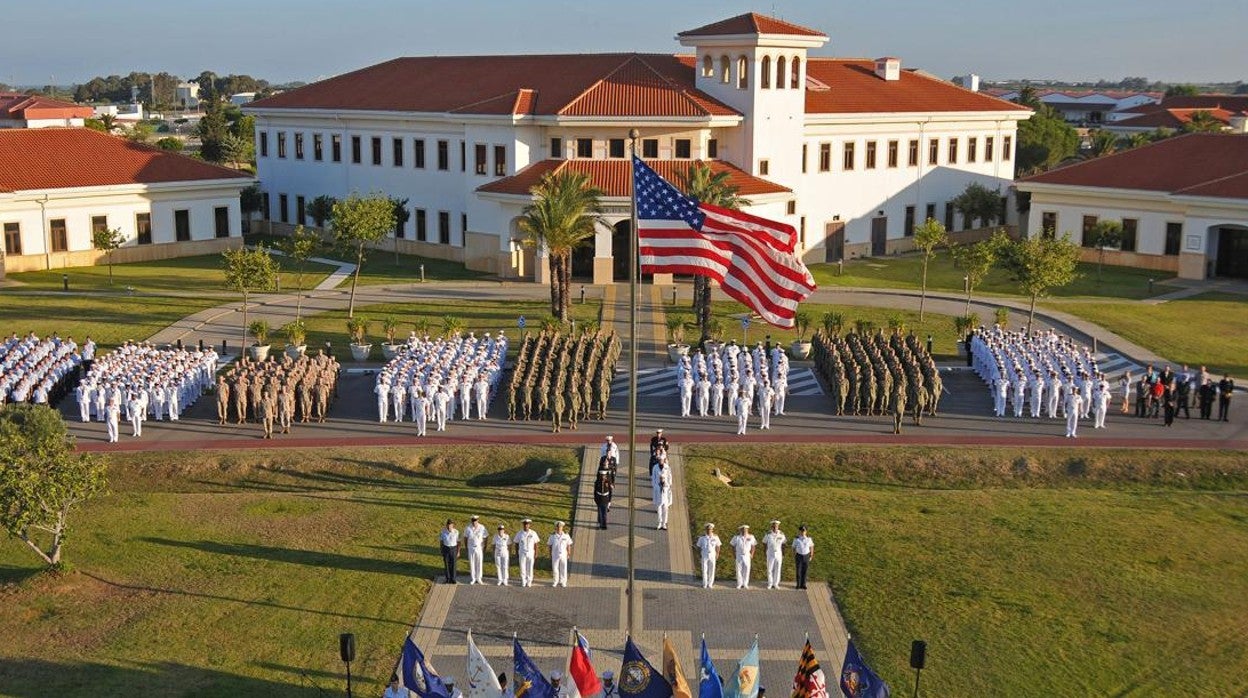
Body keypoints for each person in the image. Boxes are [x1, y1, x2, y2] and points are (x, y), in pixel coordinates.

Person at [730, 524, 756, 589]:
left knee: (747, 569)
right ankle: (739, 584)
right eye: (743, 530)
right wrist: (734, 554)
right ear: (740, 530)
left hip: (747, 555)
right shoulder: (736, 537)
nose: (744, 531)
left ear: (747, 530)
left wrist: (752, 554)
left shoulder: (751, 537)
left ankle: (745, 584)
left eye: (746, 530)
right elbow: (732, 546)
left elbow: (753, 546)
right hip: (739, 555)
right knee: (739, 570)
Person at [515, 518, 539, 587]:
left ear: (529, 525)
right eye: (525, 524)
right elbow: (516, 543)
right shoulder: (519, 533)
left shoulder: (533, 533)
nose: (526, 525)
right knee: (522, 567)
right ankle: (523, 580)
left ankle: (529, 581)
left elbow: (536, 544)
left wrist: (536, 553)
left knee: (530, 567)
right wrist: (517, 553)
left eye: (527, 524)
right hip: (522, 552)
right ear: (523, 525)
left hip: (531, 552)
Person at [695, 523, 721, 589]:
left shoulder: (715, 537)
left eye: (710, 529)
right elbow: (698, 547)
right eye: (708, 529)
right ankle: (705, 584)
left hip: (712, 554)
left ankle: (710, 584)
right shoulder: (702, 538)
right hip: (704, 554)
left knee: (712, 569)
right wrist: (699, 555)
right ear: (706, 529)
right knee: (704, 569)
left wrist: (717, 554)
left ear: (712, 530)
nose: (709, 530)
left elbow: (718, 546)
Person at [762, 520, 786, 590]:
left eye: (776, 526)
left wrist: (783, 553)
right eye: (774, 526)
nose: (775, 527)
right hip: (770, 553)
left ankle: (776, 584)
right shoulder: (768, 534)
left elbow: (784, 544)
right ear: (772, 526)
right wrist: (765, 552)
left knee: (778, 569)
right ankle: (770, 583)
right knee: (770, 569)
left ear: (778, 526)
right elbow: (764, 542)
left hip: (778, 553)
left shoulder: (781, 534)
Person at [548, 521, 573, 587]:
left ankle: (563, 581)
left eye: (560, 527)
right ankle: (555, 581)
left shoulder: (566, 536)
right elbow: (550, 545)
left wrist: (569, 553)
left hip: (563, 554)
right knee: (555, 568)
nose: (559, 528)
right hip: (555, 554)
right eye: (558, 527)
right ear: (556, 527)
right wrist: (550, 554)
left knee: (563, 568)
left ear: (562, 527)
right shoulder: (552, 536)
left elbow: (568, 545)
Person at [465, 515, 488, 585]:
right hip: (471, 547)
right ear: (471, 521)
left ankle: (479, 578)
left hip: (479, 547)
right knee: (472, 563)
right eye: (473, 521)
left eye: (475, 521)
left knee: (479, 562)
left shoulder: (482, 527)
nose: (474, 522)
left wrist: (485, 546)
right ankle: (473, 578)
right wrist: (466, 547)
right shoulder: (468, 528)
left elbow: (486, 537)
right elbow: (465, 538)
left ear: (478, 520)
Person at [792, 525, 813, 590]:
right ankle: (798, 584)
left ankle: (803, 584)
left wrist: (811, 555)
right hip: (799, 556)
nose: (803, 532)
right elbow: (793, 547)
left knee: (805, 571)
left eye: (804, 531)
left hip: (806, 556)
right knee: (798, 571)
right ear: (800, 531)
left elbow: (811, 547)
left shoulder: (809, 539)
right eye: (801, 531)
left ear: (806, 531)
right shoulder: (796, 539)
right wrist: (794, 555)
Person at [439, 519, 460, 584]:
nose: (449, 526)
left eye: (450, 525)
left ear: (453, 525)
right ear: (446, 525)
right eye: (448, 525)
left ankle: (453, 579)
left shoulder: (456, 532)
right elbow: (441, 542)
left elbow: (459, 542)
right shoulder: (443, 532)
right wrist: (441, 550)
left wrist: (458, 551)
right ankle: (448, 579)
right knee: (446, 564)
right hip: (446, 548)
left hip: (453, 549)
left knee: (453, 564)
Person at [655, 459, 672, 531]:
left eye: (663, 478)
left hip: (665, 501)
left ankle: (664, 523)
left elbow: (669, 494)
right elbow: (655, 494)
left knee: (665, 511)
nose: (662, 479)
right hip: (659, 500)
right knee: (659, 512)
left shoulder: (667, 486)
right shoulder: (657, 486)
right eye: (661, 478)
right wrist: (655, 501)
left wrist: (669, 502)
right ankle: (659, 523)